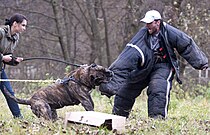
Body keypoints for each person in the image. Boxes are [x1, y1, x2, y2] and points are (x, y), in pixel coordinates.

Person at [99, 10, 208, 119]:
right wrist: (109, 84)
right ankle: (118, 118)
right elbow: (126, 58)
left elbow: (187, 45)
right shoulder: (142, 35)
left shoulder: (170, 32)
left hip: (164, 66)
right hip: (145, 66)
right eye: (146, 23)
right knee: (126, 89)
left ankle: (156, 120)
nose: (147, 26)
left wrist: (201, 63)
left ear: (157, 22)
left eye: (149, 23)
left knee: (157, 88)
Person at [0, 13, 27, 118]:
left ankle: (19, 118)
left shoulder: (16, 37)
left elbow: (7, 57)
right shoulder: (1, 32)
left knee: (10, 94)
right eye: (23, 25)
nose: (25, 28)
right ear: (15, 24)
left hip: (1, 71)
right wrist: (2, 58)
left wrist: (14, 60)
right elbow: (3, 57)